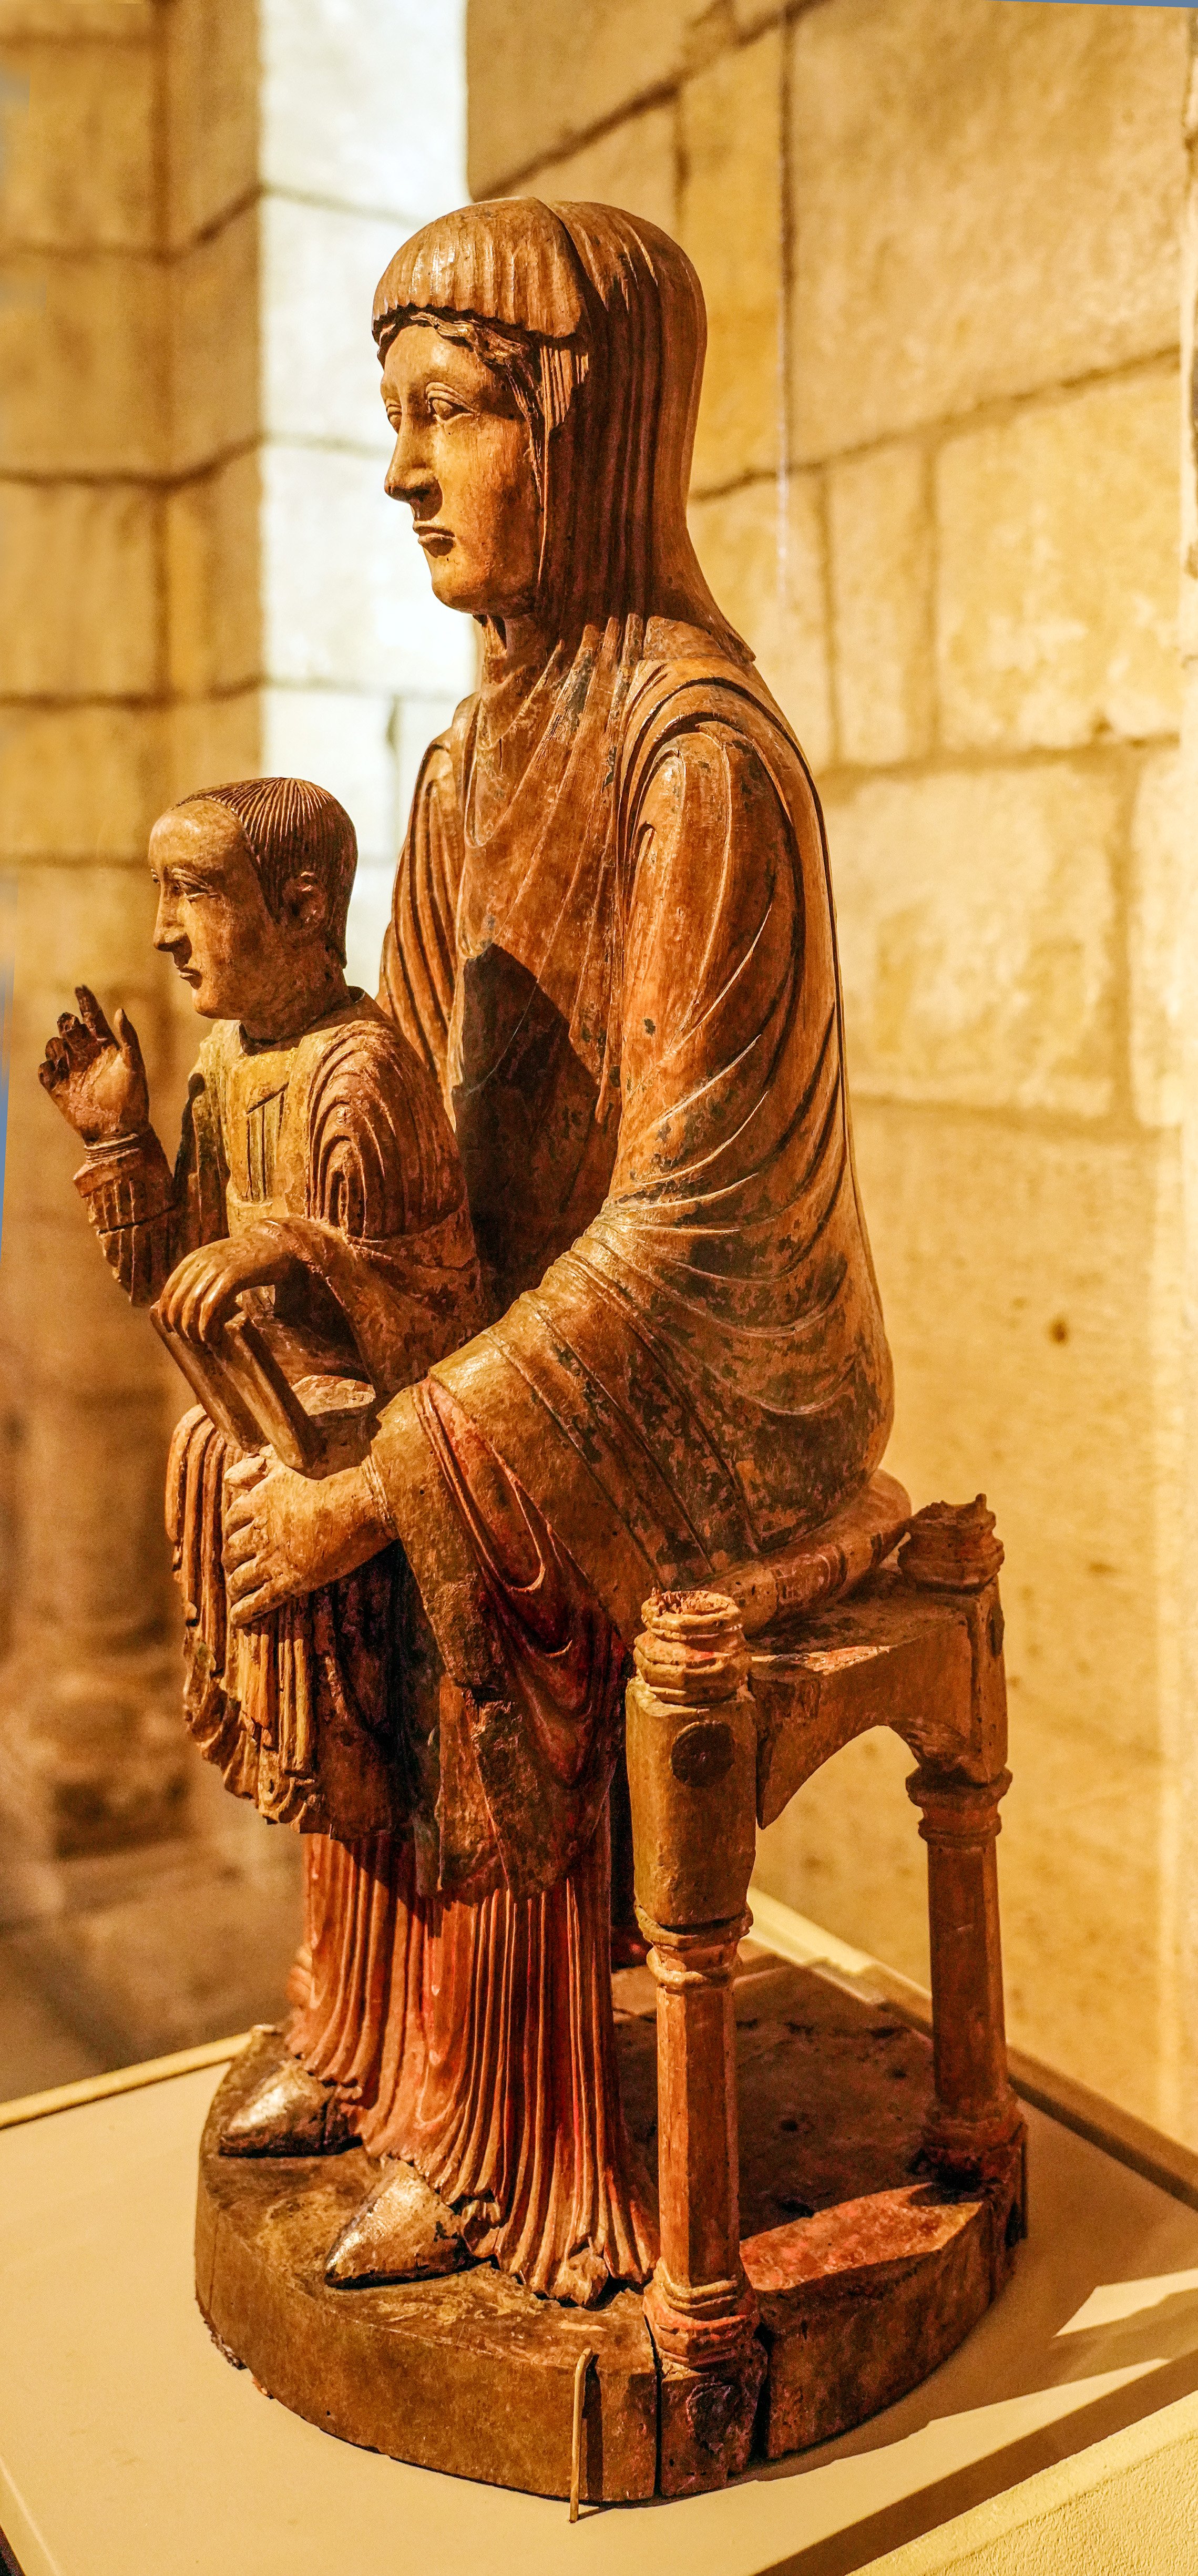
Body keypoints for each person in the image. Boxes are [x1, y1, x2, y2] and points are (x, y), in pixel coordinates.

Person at [94, 199, 895, 2312]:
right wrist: (298, 1293)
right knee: (266, 1466)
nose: (401, 465)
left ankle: (507, 2135)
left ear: (601, 425)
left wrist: (409, 1459)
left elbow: (693, 1221)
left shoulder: (695, 756)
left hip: (732, 1366)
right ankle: (369, 2025)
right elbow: (430, 1160)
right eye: (396, 412)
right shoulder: (464, 772)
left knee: (472, 1539)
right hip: (553, 1324)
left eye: (451, 408)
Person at [37, 775, 483, 1881]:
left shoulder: (360, 1074)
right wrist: (116, 1140)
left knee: (382, 1806)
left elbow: (441, 1324)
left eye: (192, 892)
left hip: (355, 1491)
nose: (164, 934)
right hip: (264, 1446)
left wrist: (294, 1245)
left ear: (298, 904)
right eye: (160, 894)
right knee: (336, 1825)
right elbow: (169, 1278)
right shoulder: (227, 1064)